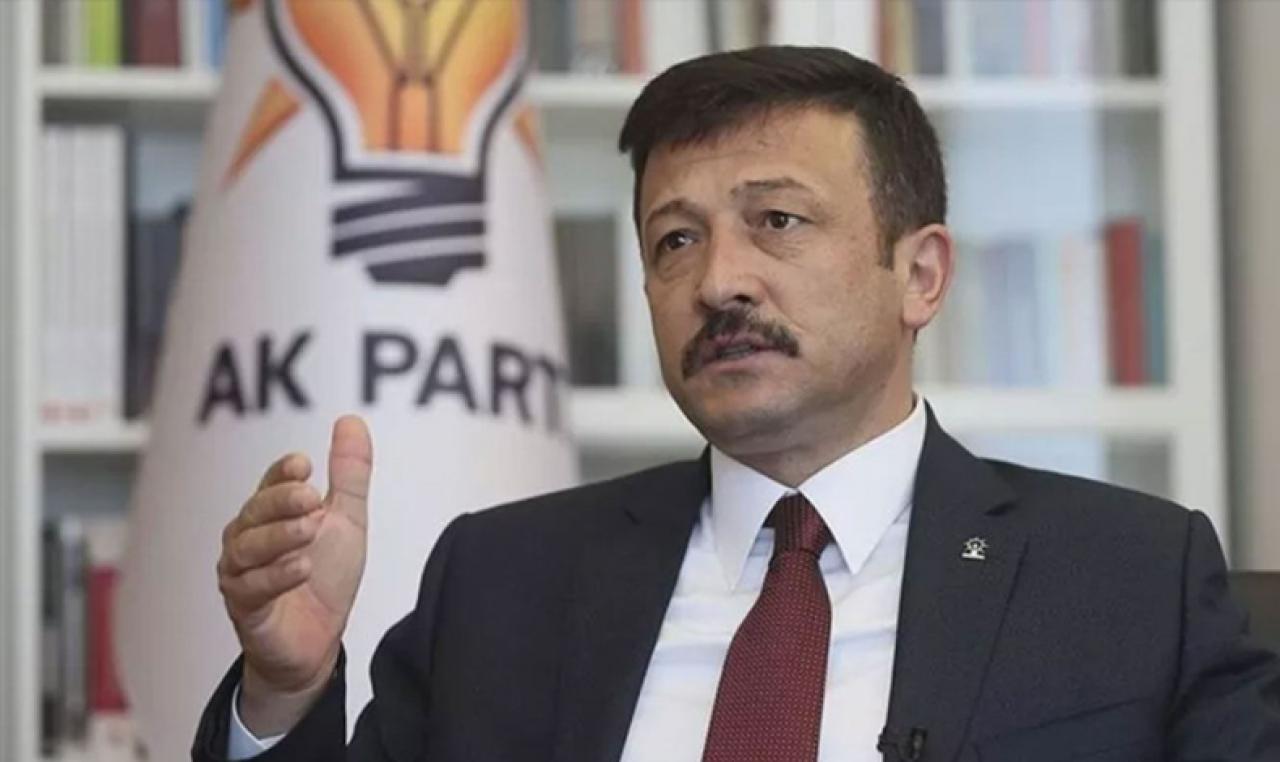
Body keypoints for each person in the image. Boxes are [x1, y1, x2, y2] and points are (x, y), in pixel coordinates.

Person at [192, 47, 1280, 761]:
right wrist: (285, 694)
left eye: (777, 222)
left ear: (920, 275)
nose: (718, 282)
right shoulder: (502, 580)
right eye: (675, 240)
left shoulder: (1128, 577)